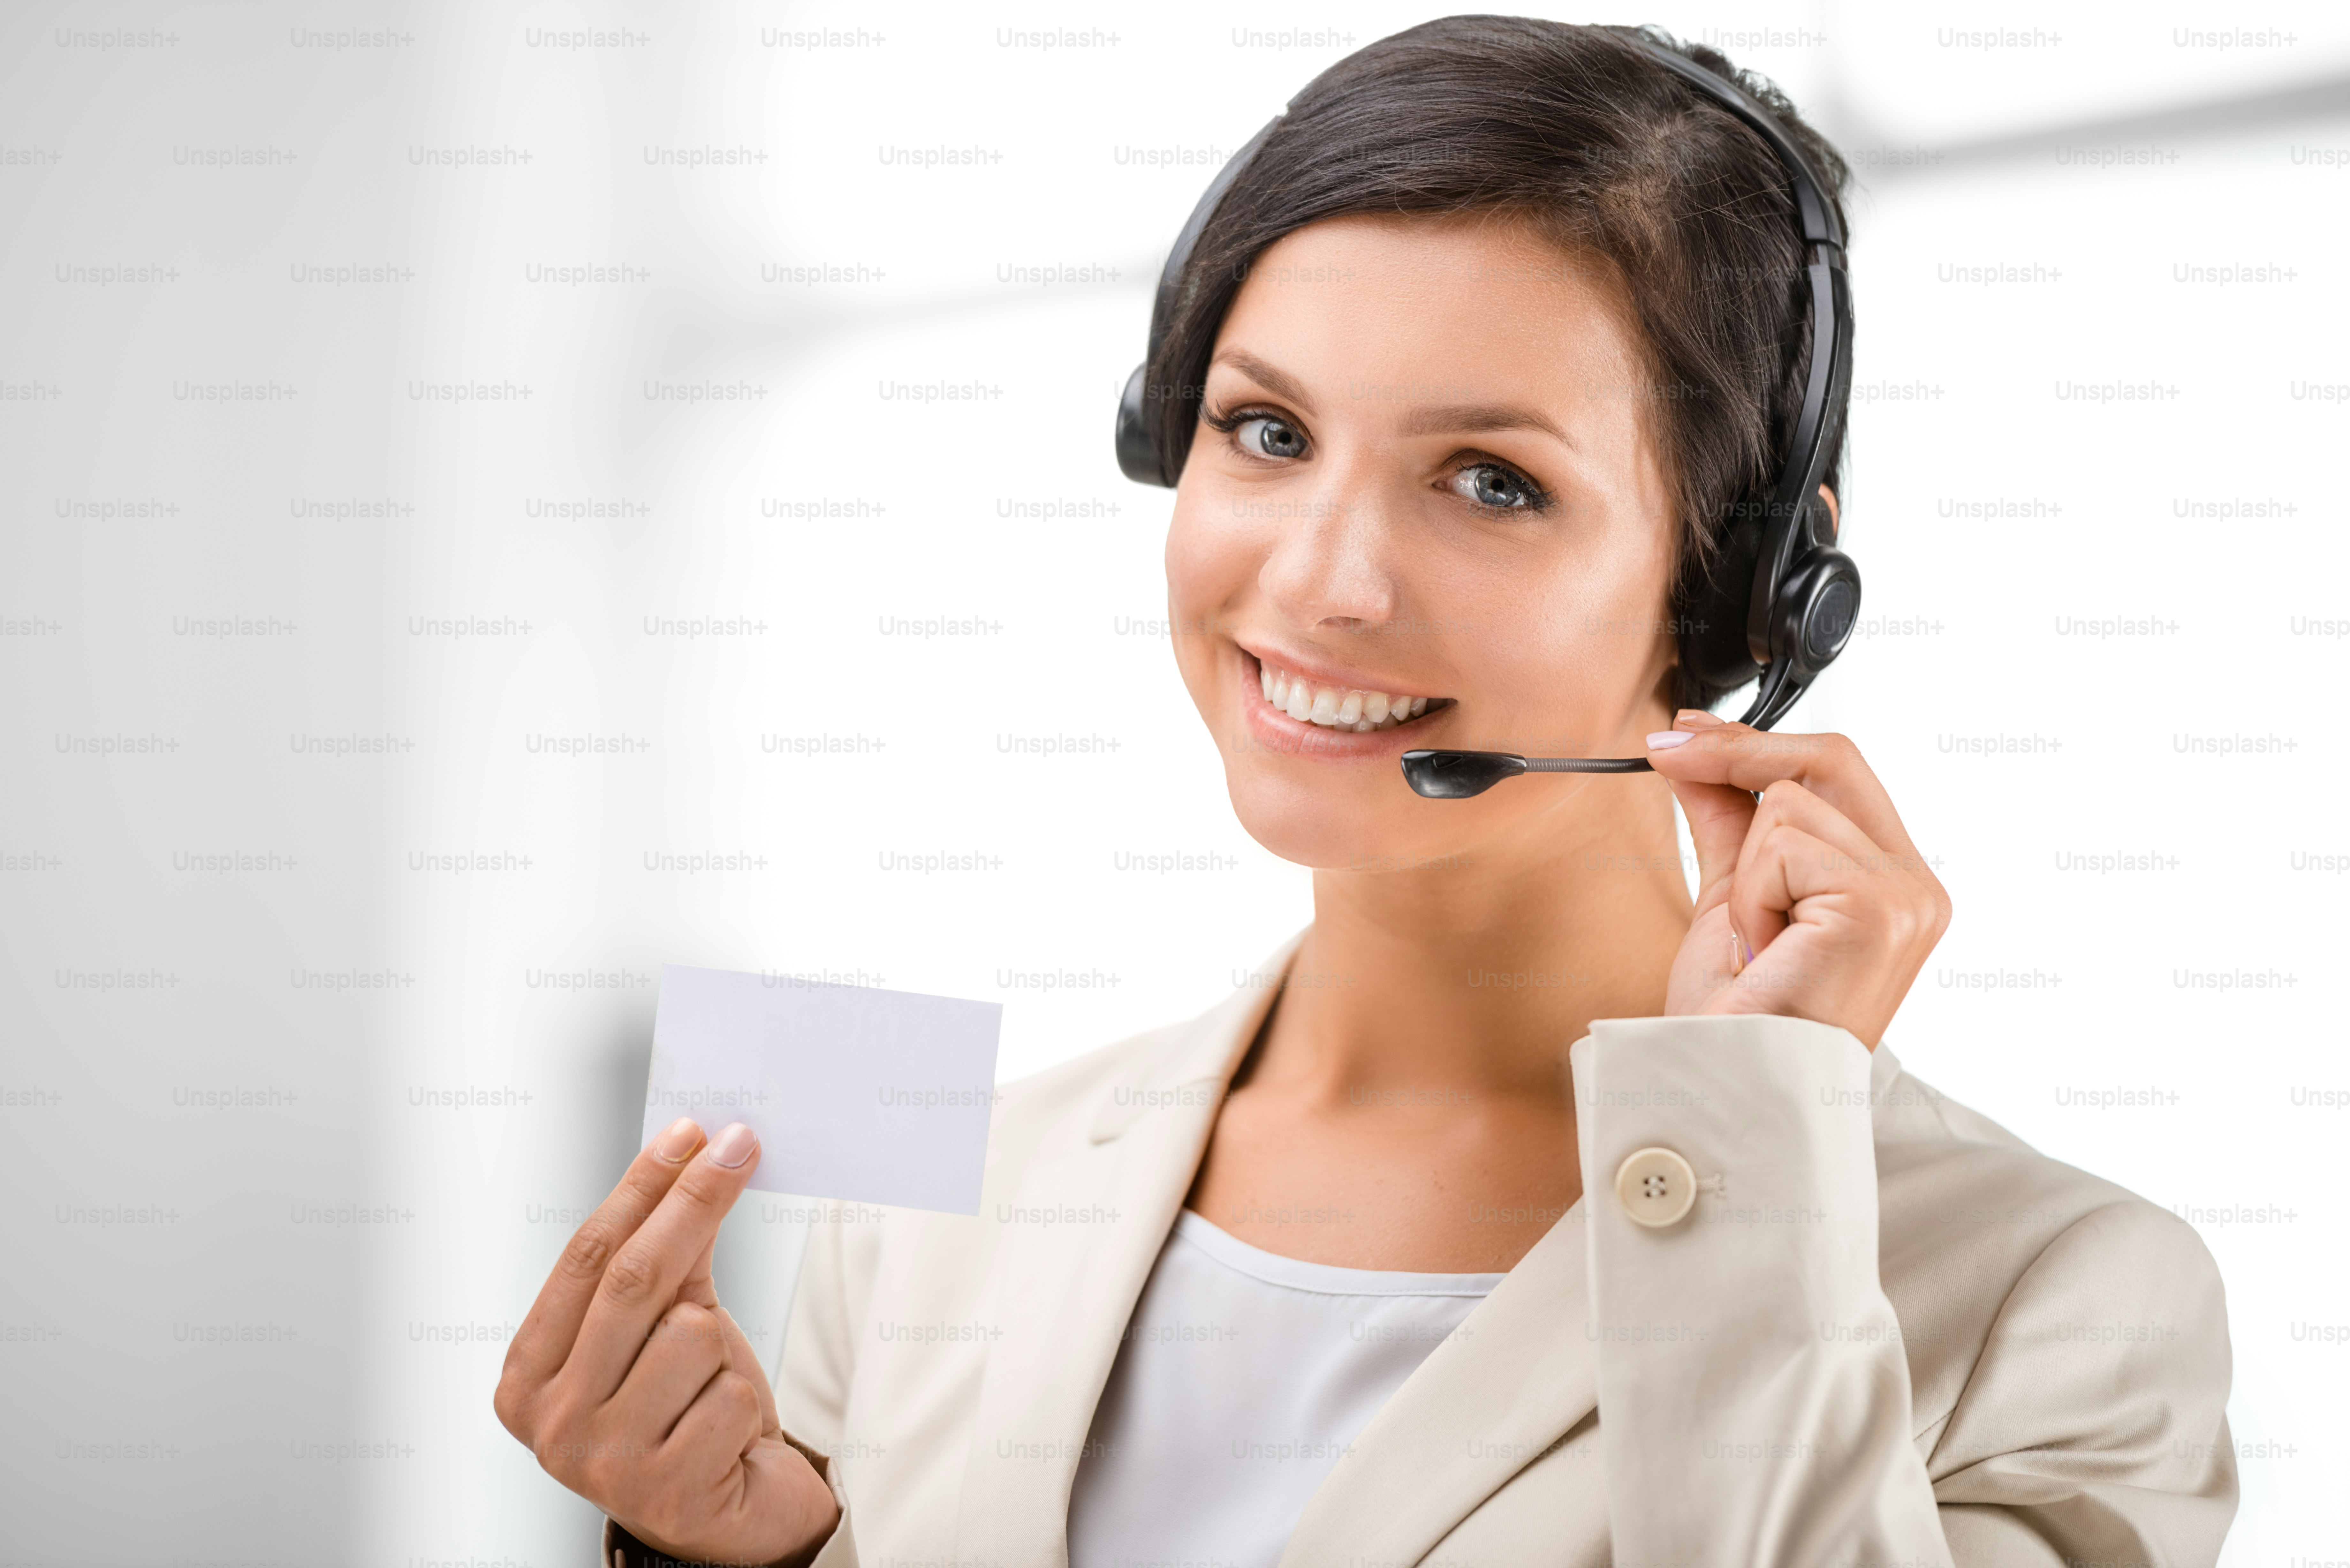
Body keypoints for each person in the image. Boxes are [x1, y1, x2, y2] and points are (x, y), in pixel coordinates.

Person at [494, 18, 2237, 1567]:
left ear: (1744, 591)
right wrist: (742, 1565)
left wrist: (1745, 1131)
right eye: (1265, 431)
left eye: (1490, 480)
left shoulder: (2056, 1301)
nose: (1325, 581)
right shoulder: (951, 1196)